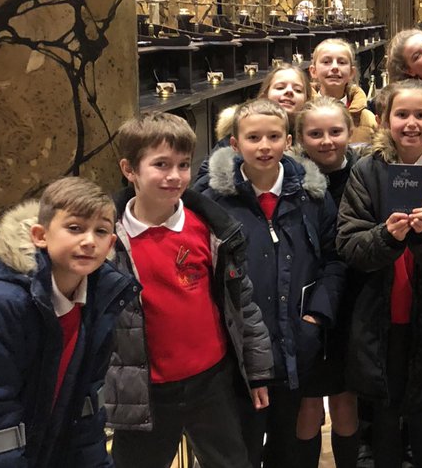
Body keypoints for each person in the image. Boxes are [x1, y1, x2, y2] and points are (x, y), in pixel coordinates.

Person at [0, 178, 138, 468]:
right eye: (75, 228)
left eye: (100, 231)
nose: (89, 241)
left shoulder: (99, 301)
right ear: (40, 235)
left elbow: (85, 410)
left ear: (111, 243)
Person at [107, 112, 273, 468]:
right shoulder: (108, 241)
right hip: (146, 389)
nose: (175, 176)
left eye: (183, 165)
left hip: (211, 382)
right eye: (161, 164)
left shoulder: (211, 228)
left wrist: (257, 371)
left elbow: (242, 303)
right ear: (129, 169)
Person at [201, 99, 347, 468]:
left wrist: (316, 316)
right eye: (253, 138)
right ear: (235, 144)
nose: (264, 146)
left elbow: (334, 259)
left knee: (288, 444)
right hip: (238, 352)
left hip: (296, 343)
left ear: (288, 141)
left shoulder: (312, 196)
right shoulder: (213, 201)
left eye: (274, 137)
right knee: (242, 447)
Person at [336, 80, 422, 468]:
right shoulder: (366, 171)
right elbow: (349, 244)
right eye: (402, 114)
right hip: (382, 314)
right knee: (385, 412)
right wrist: (386, 236)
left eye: (421, 115)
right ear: (384, 119)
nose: (411, 123)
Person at [293, 96, 365, 468]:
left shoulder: (364, 174)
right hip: (307, 302)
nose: (326, 141)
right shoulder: (291, 179)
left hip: (354, 301)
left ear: (349, 132)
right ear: (299, 138)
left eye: (335, 131)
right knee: (307, 402)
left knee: (345, 397)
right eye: (315, 134)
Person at [309, 38, 377, 145]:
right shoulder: (302, 114)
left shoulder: (368, 119)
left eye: (341, 62)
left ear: (351, 72)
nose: (335, 67)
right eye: (326, 62)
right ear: (313, 71)